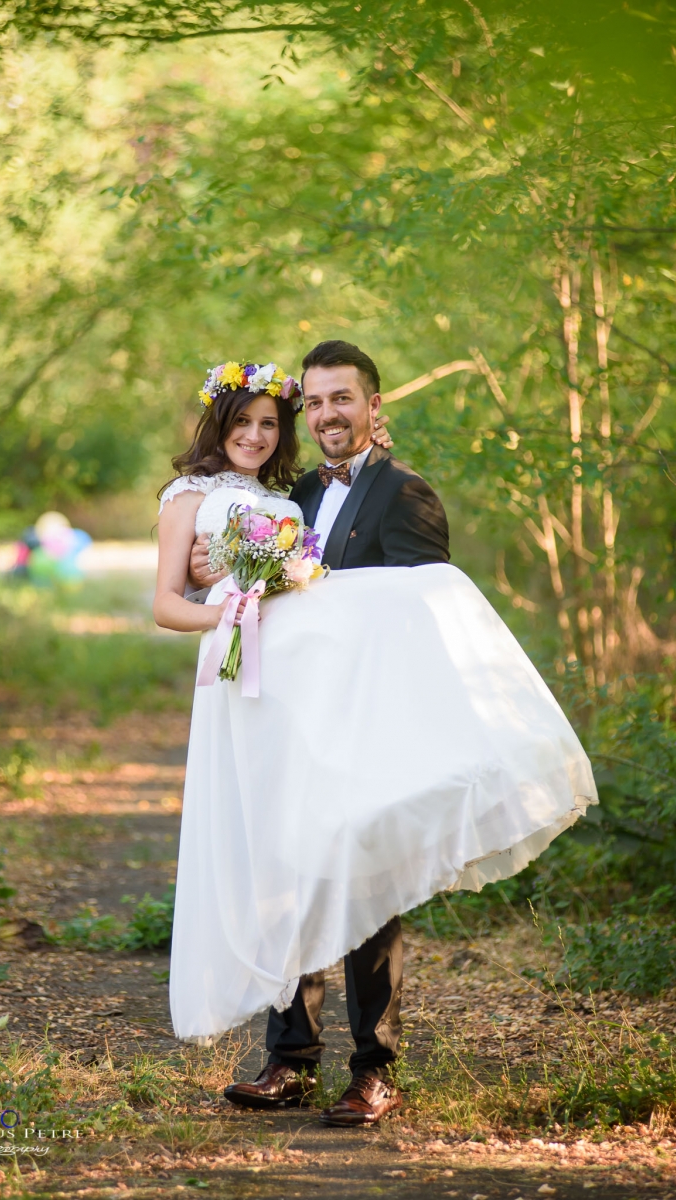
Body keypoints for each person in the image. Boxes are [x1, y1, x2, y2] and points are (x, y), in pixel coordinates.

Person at [155, 345, 597, 1129]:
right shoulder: (287, 495)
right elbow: (245, 582)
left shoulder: (405, 493)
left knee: (367, 883)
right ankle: (288, 1060)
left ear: (371, 405)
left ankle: (373, 1070)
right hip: (287, 714)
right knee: (287, 868)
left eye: (342, 399)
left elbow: (423, 615)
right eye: (316, 401)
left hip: (368, 721)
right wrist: (209, 571)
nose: (327, 414)